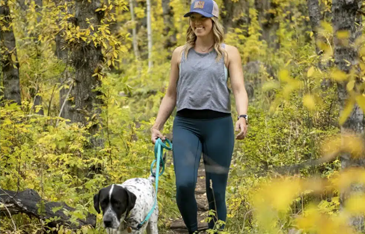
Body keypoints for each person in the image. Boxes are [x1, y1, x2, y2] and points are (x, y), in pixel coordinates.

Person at [150, 0, 248, 232]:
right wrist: (157, 125)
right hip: (186, 124)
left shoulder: (228, 53)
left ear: (212, 20)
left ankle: (216, 231)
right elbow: (171, 95)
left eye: (202, 18)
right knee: (184, 185)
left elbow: (239, 88)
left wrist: (242, 116)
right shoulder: (179, 54)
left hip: (219, 125)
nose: (197, 23)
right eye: (193, 18)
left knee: (216, 190)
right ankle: (194, 230)